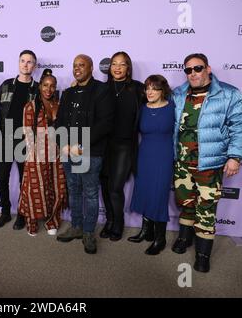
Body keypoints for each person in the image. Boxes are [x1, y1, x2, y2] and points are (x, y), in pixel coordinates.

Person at [172, 53, 242, 272]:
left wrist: (235, 156)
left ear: (207, 68)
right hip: (181, 162)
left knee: (206, 208)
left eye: (197, 68)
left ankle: (202, 254)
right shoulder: (178, 94)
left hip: (209, 163)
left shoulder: (228, 93)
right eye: (188, 70)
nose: (193, 73)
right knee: (185, 202)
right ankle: (184, 238)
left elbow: (241, 127)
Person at [56, 54, 112, 254]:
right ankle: (76, 227)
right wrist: (62, 143)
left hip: (91, 152)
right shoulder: (68, 93)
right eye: (74, 65)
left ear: (91, 68)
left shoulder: (102, 90)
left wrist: (81, 145)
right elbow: (60, 121)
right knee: (74, 190)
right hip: (67, 152)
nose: (77, 68)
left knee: (90, 192)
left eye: (82, 65)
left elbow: (105, 123)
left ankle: (88, 232)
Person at [100, 51, 145, 241]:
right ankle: (109, 221)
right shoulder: (101, 88)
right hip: (103, 145)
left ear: (128, 68)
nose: (117, 68)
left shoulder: (138, 89)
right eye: (114, 64)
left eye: (122, 64)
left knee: (115, 187)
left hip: (125, 145)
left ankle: (118, 223)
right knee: (103, 184)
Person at [128, 75, 175, 255]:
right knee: (145, 190)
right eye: (147, 88)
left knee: (159, 194)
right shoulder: (142, 108)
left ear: (163, 91)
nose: (150, 92)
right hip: (144, 155)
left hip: (163, 156)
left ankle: (160, 238)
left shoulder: (173, 107)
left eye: (154, 88)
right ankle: (146, 231)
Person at [0, 50, 39, 230]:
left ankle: (22, 214)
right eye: (23, 61)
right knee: (2, 178)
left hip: (25, 141)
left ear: (34, 66)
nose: (26, 64)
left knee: (24, 181)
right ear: (19, 63)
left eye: (29, 62)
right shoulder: (6, 85)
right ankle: (5, 212)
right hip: (5, 138)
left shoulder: (37, 88)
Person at [18, 69, 67, 236]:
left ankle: (52, 220)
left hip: (57, 154)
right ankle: (31, 223)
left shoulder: (60, 106)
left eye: (52, 86)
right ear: (39, 87)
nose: (49, 89)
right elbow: (27, 133)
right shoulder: (30, 107)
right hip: (36, 155)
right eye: (45, 85)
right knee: (34, 189)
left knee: (57, 188)